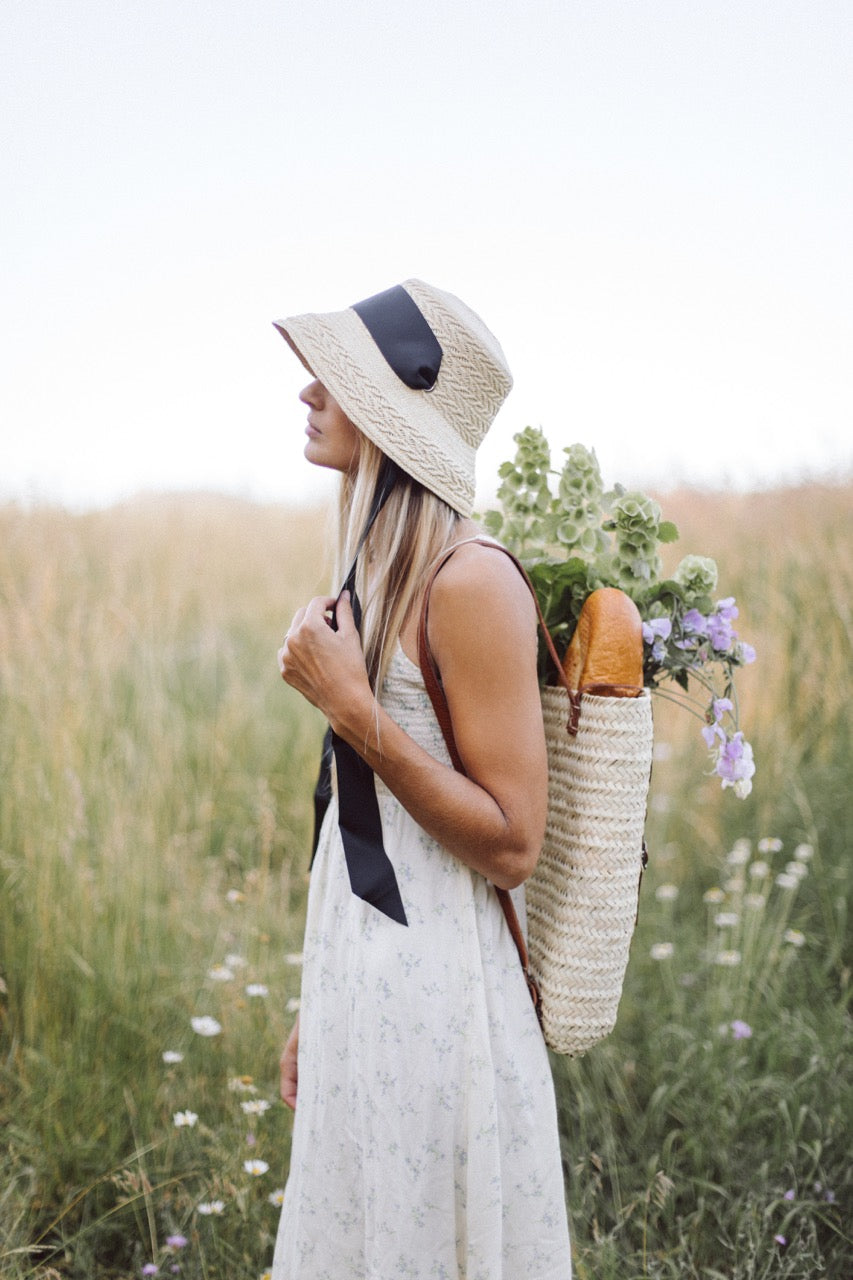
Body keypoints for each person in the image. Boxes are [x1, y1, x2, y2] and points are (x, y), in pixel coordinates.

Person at [270, 279, 572, 1279]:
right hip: (368, 972)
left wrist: (357, 714)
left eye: (339, 378)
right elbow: (356, 834)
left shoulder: (469, 578)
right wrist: (322, 995)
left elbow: (512, 839)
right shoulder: (371, 566)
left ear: (396, 414)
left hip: (444, 990)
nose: (308, 392)